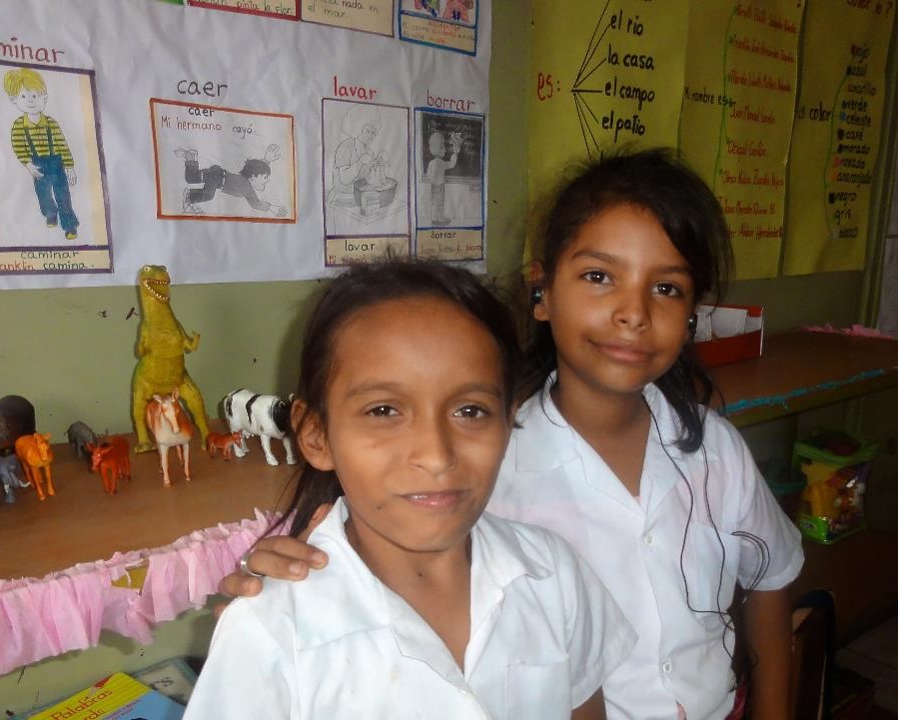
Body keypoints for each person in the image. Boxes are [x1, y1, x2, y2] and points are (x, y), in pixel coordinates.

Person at [223, 148, 804, 719]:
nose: (633, 312)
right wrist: (289, 574)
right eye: (600, 276)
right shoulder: (479, 467)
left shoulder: (715, 448)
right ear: (542, 292)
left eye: (667, 288)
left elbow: (771, 578)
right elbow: (372, 551)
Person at [185, 259, 633, 719]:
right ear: (317, 435)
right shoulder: (269, 632)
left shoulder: (555, 575)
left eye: (471, 411)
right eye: (383, 411)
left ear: (508, 418)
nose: (436, 455)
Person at [4, 68, 79, 240]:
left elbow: (62, 144)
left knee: (63, 195)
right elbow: (19, 146)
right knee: (44, 195)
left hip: (57, 164)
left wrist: (69, 166)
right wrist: (28, 165)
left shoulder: (51, 123)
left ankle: (70, 225)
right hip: (37, 165)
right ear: (14, 99)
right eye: (24, 96)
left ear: (44, 97)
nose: (30, 100)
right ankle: (50, 214)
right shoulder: (19, 126)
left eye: (35, 95)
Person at [175, 145, 286, 217]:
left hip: (216, 174)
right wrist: (271, 208)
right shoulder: (247, 188)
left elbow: (255, 168)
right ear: (252, 177)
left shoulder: (247, 180)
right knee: (208, 195)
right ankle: (188, 197)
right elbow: (255, 204)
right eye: (265, 178)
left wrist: (266, 160)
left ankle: (191, 157)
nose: (267, 181)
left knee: (191, 178)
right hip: (216, 178)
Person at [426, 130, 461, 226]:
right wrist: (455, 153)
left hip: (434, 187)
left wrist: (432, 181)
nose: (445, 150)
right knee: (440, 204)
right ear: (439, 148)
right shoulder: (440, 163)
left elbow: (429, 175)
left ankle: (434, 219)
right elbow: (452, 164)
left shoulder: (432, 163)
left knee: (434, 204)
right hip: (439, 187)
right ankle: (440, 220)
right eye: (443, 148)